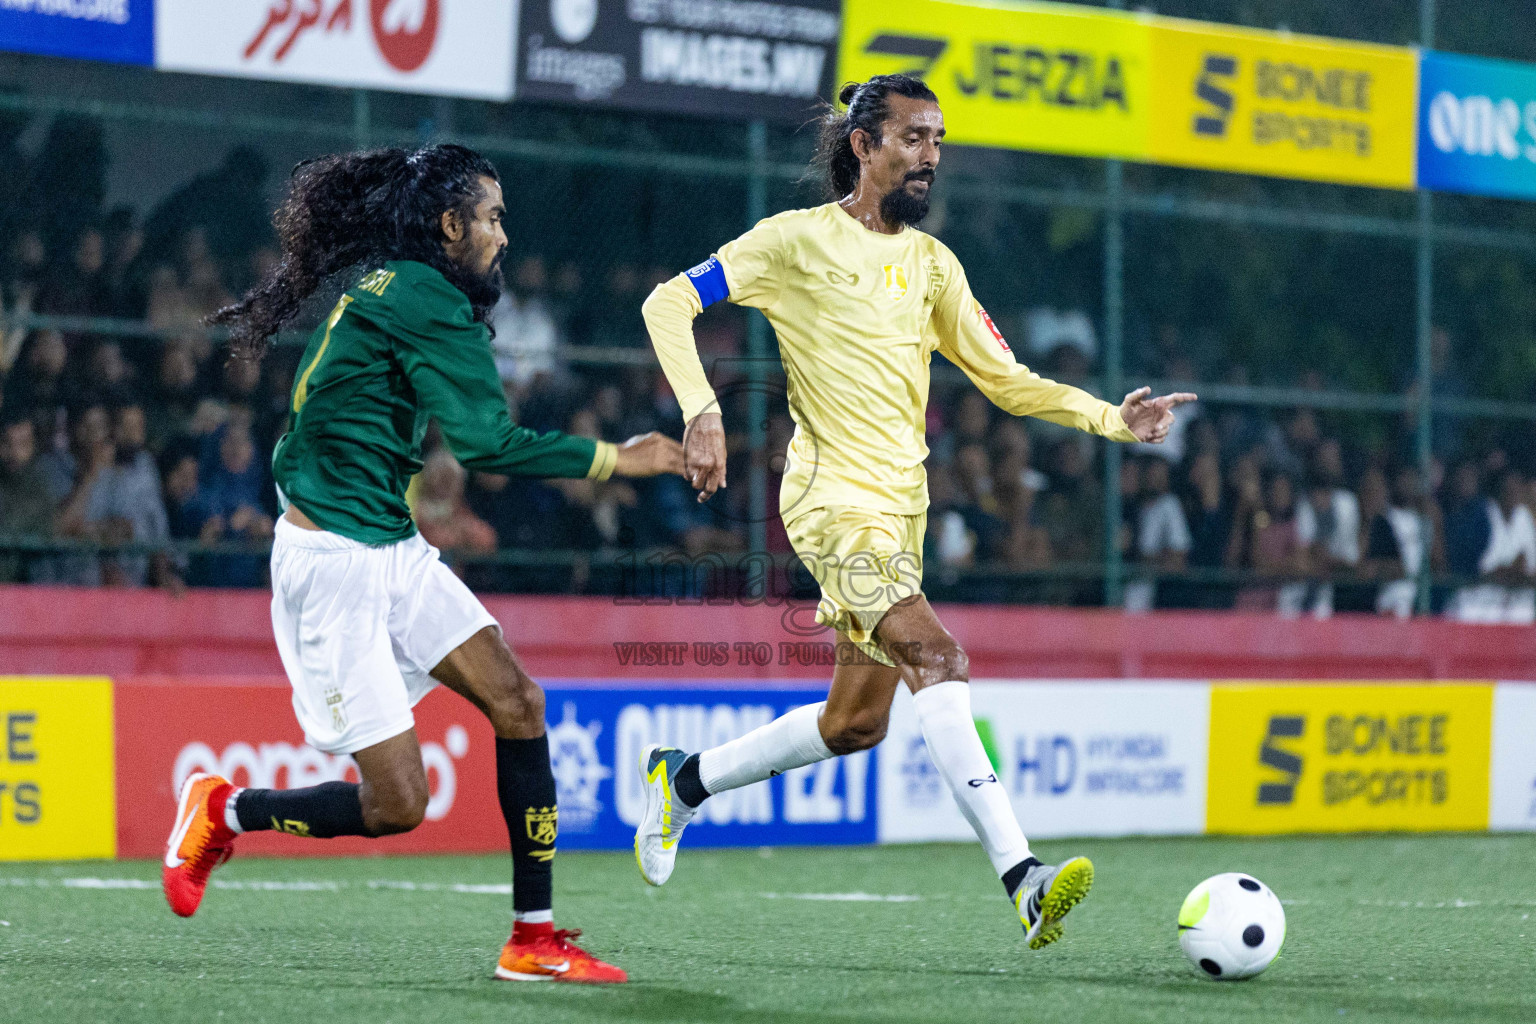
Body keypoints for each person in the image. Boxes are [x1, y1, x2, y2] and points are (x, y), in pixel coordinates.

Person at [635, 75, 1193, 950]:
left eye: (938, 141)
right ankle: (1024, 879)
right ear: (863, 146)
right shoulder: (793, 241)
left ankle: (682, 784)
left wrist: (1109, 420)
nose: (931, 157)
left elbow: (1005, 379)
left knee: (855, 723)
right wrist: (701, 409)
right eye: (914, 139)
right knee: (938, 655)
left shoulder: (935, 265)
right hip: (830, 504)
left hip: (902, 513)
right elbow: (669, 302)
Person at [158, 144, 684, 984]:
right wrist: (622, 458)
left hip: (391, 547)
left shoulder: (397, 283)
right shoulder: (427, 296)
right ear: (449, 225)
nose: (503, 236)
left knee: (519, 702)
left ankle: (532, 938)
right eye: (492, 217)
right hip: (331, 565)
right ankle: (228, 808)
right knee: (400, 806)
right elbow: (486, 443)